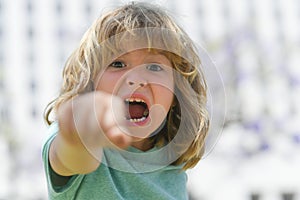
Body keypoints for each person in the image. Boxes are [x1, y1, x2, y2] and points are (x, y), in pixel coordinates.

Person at [42, 1, 209, 199]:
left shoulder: (172, 163)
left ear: (176, 94)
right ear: (91, 84)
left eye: (154, 67)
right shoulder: (84, 139)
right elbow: (73, 158)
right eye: (118, 64)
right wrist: (78, 137)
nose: (136, 79)